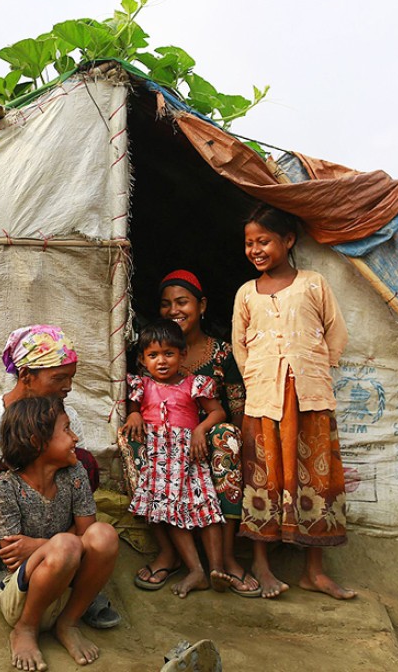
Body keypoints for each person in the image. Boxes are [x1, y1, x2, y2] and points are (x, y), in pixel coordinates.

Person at [0, 325, 114, 625]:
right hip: (4, 538)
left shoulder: (68, 418)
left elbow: (76, 478)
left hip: (53, 528)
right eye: (59, 378)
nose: (68, 387)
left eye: (71, 378)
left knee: (83, 461)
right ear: (26, 375)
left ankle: (70, 570)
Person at [232, 205, 356, 600]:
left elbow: (335, 330)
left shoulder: (313, 283)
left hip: (309, 398)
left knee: (315, 480)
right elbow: (240, 344)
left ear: (288, 241)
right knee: (263, 480)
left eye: (264, 241)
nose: (256, 249)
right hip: (265, 400)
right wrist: (256, 378)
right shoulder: (246, 293)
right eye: (250, 243)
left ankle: (314, 572)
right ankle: (262, 566)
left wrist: (316, 369)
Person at [129, 270, 259, 597]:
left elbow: (231, 407)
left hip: (204, 443)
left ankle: (225, 559)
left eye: (182, 302)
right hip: (164, 447)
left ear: (201, 305)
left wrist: (244, 445)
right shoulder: (149, 362)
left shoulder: (221, 354)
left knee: (227, 438)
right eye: (166, 304)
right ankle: (173, 555)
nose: (174, 310)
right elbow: (135, 403)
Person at [0, 396, 119, 670]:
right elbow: (13, 558)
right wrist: (58, 545)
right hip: (21, 596)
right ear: (37, 442)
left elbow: (88, 532)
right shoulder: (3, 487)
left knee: (104, 534)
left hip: (68, 591)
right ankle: (25, 629)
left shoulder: (75, 473)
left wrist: (38, 545)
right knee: (68, 544)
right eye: (67, 429)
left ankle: (68, 623)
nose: (75, 437)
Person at [121, 319, 227, 598]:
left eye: (169, 353)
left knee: (206, 507)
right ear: (143, 361)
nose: (162, 361)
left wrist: (200, 430)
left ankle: (217, 569)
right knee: (166, 512)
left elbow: (217, 412)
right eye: (153, 355)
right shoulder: (141, 386)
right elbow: (134, 408)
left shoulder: (194, 384)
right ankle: (195, 570)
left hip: (190, 454)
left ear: (182, 355)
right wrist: (134, 413)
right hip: (159, 460)